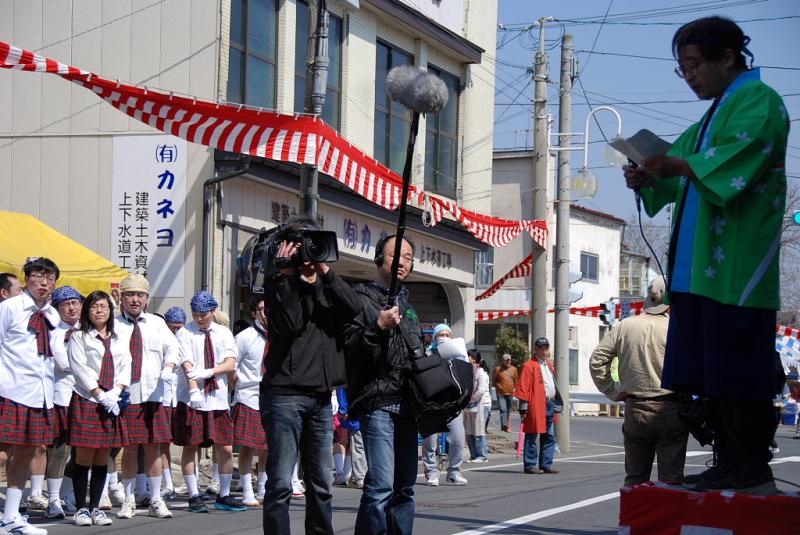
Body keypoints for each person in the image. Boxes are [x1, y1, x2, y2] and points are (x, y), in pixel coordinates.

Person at [622, 16, 789, 493]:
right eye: (683, 68)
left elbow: (740, 155)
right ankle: (727, 459)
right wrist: (652, 175)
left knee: (739, 366)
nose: (690, 75)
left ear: (728, 58)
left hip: (738, 266)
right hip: (697, 269)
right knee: (711, 371)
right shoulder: (708, 119)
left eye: (694, 65)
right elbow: (679, 172)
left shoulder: (761, 102)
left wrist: (678, 165)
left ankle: (750, 463)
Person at [260, 216, 361, 535]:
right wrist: (284, 275)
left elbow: (355, 307)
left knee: (321, 484)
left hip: (320, 398)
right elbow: (289, 323)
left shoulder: (327, 285)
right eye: (300, 244)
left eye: (312, 244)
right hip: (284, 397)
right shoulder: (277, 282)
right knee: (279, 483)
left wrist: (325, 273)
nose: (307, 252)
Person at [344, 235, 423, 535]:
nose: (402, 262)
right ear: (379, 259)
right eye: (395, 255)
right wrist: (377, 326)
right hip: (378, 402)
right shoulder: (361, 298)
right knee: (380, 486)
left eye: (408, 257)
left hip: (409, 405)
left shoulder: (408, 304)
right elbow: (350, 346)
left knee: (405, 487)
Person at [589, 277, 690, 486]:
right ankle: (668, 519)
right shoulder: (678, 328)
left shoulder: (626, 325)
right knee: (671, 482)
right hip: (672, 408)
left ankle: (633, 518)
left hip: (636, 408)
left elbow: (597, 360)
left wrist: (612, 391)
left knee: (635, 479)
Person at [0, 257, 62, 535]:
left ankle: (11, 516)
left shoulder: (53, 315)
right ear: (27, 278)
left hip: (40, 393)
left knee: (25, 453)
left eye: (50, 278)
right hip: (10, 388)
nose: (44, 282)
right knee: (2, 452)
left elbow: (56, 356)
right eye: (38, 275)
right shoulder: (9, 308)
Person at [172, 291, 244, 513]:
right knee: (190, 445)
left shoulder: (223, 333)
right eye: (195, 314)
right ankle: (194, 494)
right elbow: (186, 364)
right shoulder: (185, 333)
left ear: (213, 311)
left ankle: (223, 494)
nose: (200, 318)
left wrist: (210, 371)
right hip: (192, 398)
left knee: (225, 446)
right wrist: (194, 390)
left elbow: (230, 363)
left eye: (204, 314)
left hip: (218, 397)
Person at [114, 274, 179, 519]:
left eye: (139, 295)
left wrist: (169, 367)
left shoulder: (156, 323)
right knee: (129, 449)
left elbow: (173, 348)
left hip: (153, 393)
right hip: (126, 394)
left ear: (146, 299)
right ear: (121, 297)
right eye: (130, 294)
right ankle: (129, 499)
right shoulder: (114, 325)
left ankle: (155, 498)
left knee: (154, 447)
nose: (134, 300)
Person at [67, 290, 131, 527]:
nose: (99, 310)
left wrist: (116, 390)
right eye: (94, 306)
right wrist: (98, 393)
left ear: (110, 310)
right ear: (87, 311)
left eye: (103, 306)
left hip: (112, 401)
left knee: (103, 455)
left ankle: (96, 508)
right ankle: (81, 508)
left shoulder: (118, 338)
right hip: (88, 400)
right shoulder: (79, 336)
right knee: (84, 456)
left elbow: (126, 364)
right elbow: (79, 368)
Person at [44, 286, 83, 520]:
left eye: (75, 303)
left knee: (82, 450)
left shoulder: (88, 331)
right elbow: (63, 363)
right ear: (57, 308)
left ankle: (67, 494)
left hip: (86, 395)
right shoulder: (54, 332)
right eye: (65, 304)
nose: (71, 308)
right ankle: (53, 499)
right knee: (60, 449)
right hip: (62, 396)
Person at [421, 324, 468, 486]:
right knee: (430, 442)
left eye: (447, 334)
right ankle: (431, 472)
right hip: (432, 404)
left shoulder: (459, 354)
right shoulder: (427, 353)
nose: (444, 337)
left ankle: (454, 471)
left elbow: (466, 375)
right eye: (440, 334)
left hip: (453, 404)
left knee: (457, 439)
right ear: (434, 337)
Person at [232, 298, 269, 506]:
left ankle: (263, 486)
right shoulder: (244, 337)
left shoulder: (280, 334)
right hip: (248, 395)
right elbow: (232, 365)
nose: (267, 313)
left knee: (268, 445)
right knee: (246, 445)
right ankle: (247, 489)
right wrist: (235, 388)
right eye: (263, 309)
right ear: (254, 312)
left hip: (272, 395)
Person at [515, 338, 559, 475]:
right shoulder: (529, 365)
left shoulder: (549, 364)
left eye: (546, 348)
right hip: (536, 403)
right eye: (541, 348)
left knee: (549, 436)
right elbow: (523, 387)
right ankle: (530, 465)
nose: (544, 350)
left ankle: (546, 464)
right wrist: (523, 407)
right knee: (532, 434)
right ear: (536, 349)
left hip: (549, 403)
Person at [465, 349, 490, 463]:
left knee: (478, 429)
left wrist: (471, 398)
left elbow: (481, 390)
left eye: (468, 356)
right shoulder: (470, 370)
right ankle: (473, 454)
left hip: (481, 403)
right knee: (469, 430)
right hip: (471, 404)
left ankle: (482, 456)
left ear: (474, 359)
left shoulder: (481, 372)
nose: (467, 358)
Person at [493, 353, 518, 432]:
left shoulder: (514, 369)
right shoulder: (498, 369)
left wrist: (515, 389)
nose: (508, 362)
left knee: (508, 410)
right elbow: (494, 381)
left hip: (510, 393)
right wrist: (498, 386)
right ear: (502, 361)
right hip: (500, 393)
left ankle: (506, 425)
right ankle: (504, 424)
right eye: (506, 360)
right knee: (503, 409)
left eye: (509, 360)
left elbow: (516, 381)